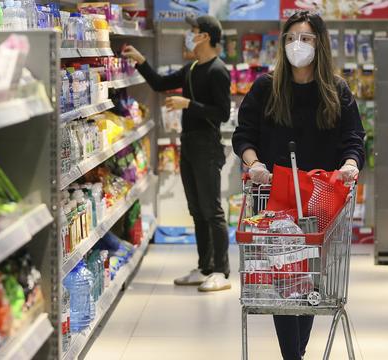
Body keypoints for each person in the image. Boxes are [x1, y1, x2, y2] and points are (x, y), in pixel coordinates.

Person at [231, 11, 366, 360]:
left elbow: (353, 139)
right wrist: (254, 163)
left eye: (305, 38)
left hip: (321, 200)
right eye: (291, 38)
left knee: (310, 281)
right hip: (274, 198)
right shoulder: (266, 87)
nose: (297, 45)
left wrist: (351, 165)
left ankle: (297, 352)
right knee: (283, 280)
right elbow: (244, 135)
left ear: (319, 44)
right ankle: (293, 355)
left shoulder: (337, 91)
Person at [122, 15, 232, 292]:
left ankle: (221, 270)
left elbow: (222, 113)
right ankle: (204, 267)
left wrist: (188, 104)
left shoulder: (218, 71)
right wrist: (140, 60)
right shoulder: (192, 67)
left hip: (208, 145)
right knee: (197, 210)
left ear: (205, 36)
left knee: (212, 210)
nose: (190, 35)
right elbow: (159, 83)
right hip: (189, 143)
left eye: (193, 31)